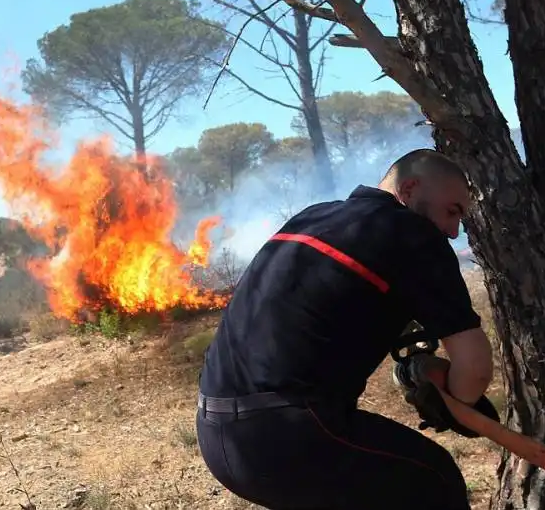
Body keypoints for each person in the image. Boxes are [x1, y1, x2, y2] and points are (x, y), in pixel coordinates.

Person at [196, 148, 501, 510]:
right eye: (452, 212)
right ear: (410, 188)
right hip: (285, 435)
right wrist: (457, 400)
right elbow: (476, 369)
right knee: (434, 478)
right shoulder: (412, 235)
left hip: (215, 429)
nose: (453, 232)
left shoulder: (311, 217)